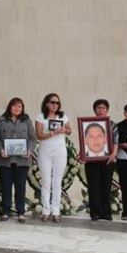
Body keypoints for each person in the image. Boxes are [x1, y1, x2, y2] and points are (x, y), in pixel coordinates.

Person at [0, 97, 36, 223]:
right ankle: (6, 211)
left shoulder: (26, 121)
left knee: (20, 187)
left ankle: (20, 212)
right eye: (14, 106)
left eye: (19, 106)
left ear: (22, 109)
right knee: (6, 186)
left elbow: (33, 138)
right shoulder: (1, 120)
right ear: (10, 106)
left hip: (22, 161)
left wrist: (29, 150)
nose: (17, 108)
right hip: (5, 160)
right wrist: (0, 150)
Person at [35, 93, 71, 223]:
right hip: (45, 152)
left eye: (57, 103)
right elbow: (39, 135)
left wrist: (63, 130)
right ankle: (46, 210)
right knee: (46, 181)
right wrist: (53, 133)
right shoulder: (40, 117)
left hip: (60, 151)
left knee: (57, 181)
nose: (55, 105)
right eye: (52, 102)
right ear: (47, 103)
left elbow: (69, 130)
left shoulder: (63, 116)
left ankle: (56, 211)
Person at [82, 98, 117, 221]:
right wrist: (84, 154)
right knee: (93, 186)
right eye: (98, 108)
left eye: (103, 108)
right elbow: (84, 141)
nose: (101, 110)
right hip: (92, 160)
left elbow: (116, 141)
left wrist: (114, 154)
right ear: (95, 110)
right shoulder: (87, 124)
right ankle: (95, 212)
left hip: (107, 159)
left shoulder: (112, 124)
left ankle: (106, 213)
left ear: (107, 110)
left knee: (106, 186)